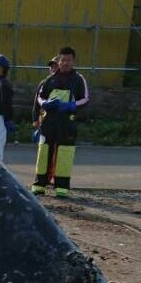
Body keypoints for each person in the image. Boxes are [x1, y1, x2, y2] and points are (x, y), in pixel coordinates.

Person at [31, 46, 89, 198]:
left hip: (67, 123)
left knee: (65, 154)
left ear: (73, 61)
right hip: (49, 122)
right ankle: (39, 184)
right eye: (63, 60)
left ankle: (61, 187)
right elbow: (40, 97)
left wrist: (71, 106)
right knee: (44, 152)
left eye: (69, 60)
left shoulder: (78, 79)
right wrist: (45, 103)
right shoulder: (49, 80)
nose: (66, 63)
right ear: (59, 61)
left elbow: (85, 99)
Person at [31, 56, 60, 141]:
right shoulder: (44, 83)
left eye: (56, 66)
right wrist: (35, 120)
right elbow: (36, 104)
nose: (53, 69)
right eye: (51, 67)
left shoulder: (66, 84)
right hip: (45, 121)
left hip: (60, 123)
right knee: (44, 146)